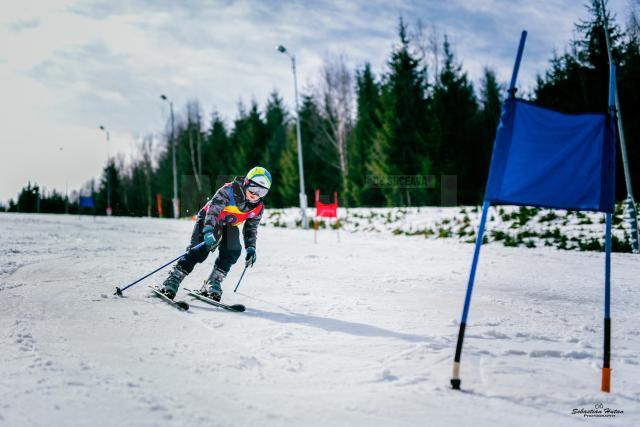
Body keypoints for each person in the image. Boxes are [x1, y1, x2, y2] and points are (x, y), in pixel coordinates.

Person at [159, 166, 271, 302]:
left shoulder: (258, 208)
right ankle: (174, 278)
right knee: (200, 250)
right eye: (254, 188)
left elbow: (251, 229)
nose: (256, 194)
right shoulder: (229, 191)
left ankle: (214, 281)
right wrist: (207, 231)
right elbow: (213, 211)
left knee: (233, 249)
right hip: (208, 220)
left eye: (262, 192)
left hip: (229, 226)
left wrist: (251, 248)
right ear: (246, 183)